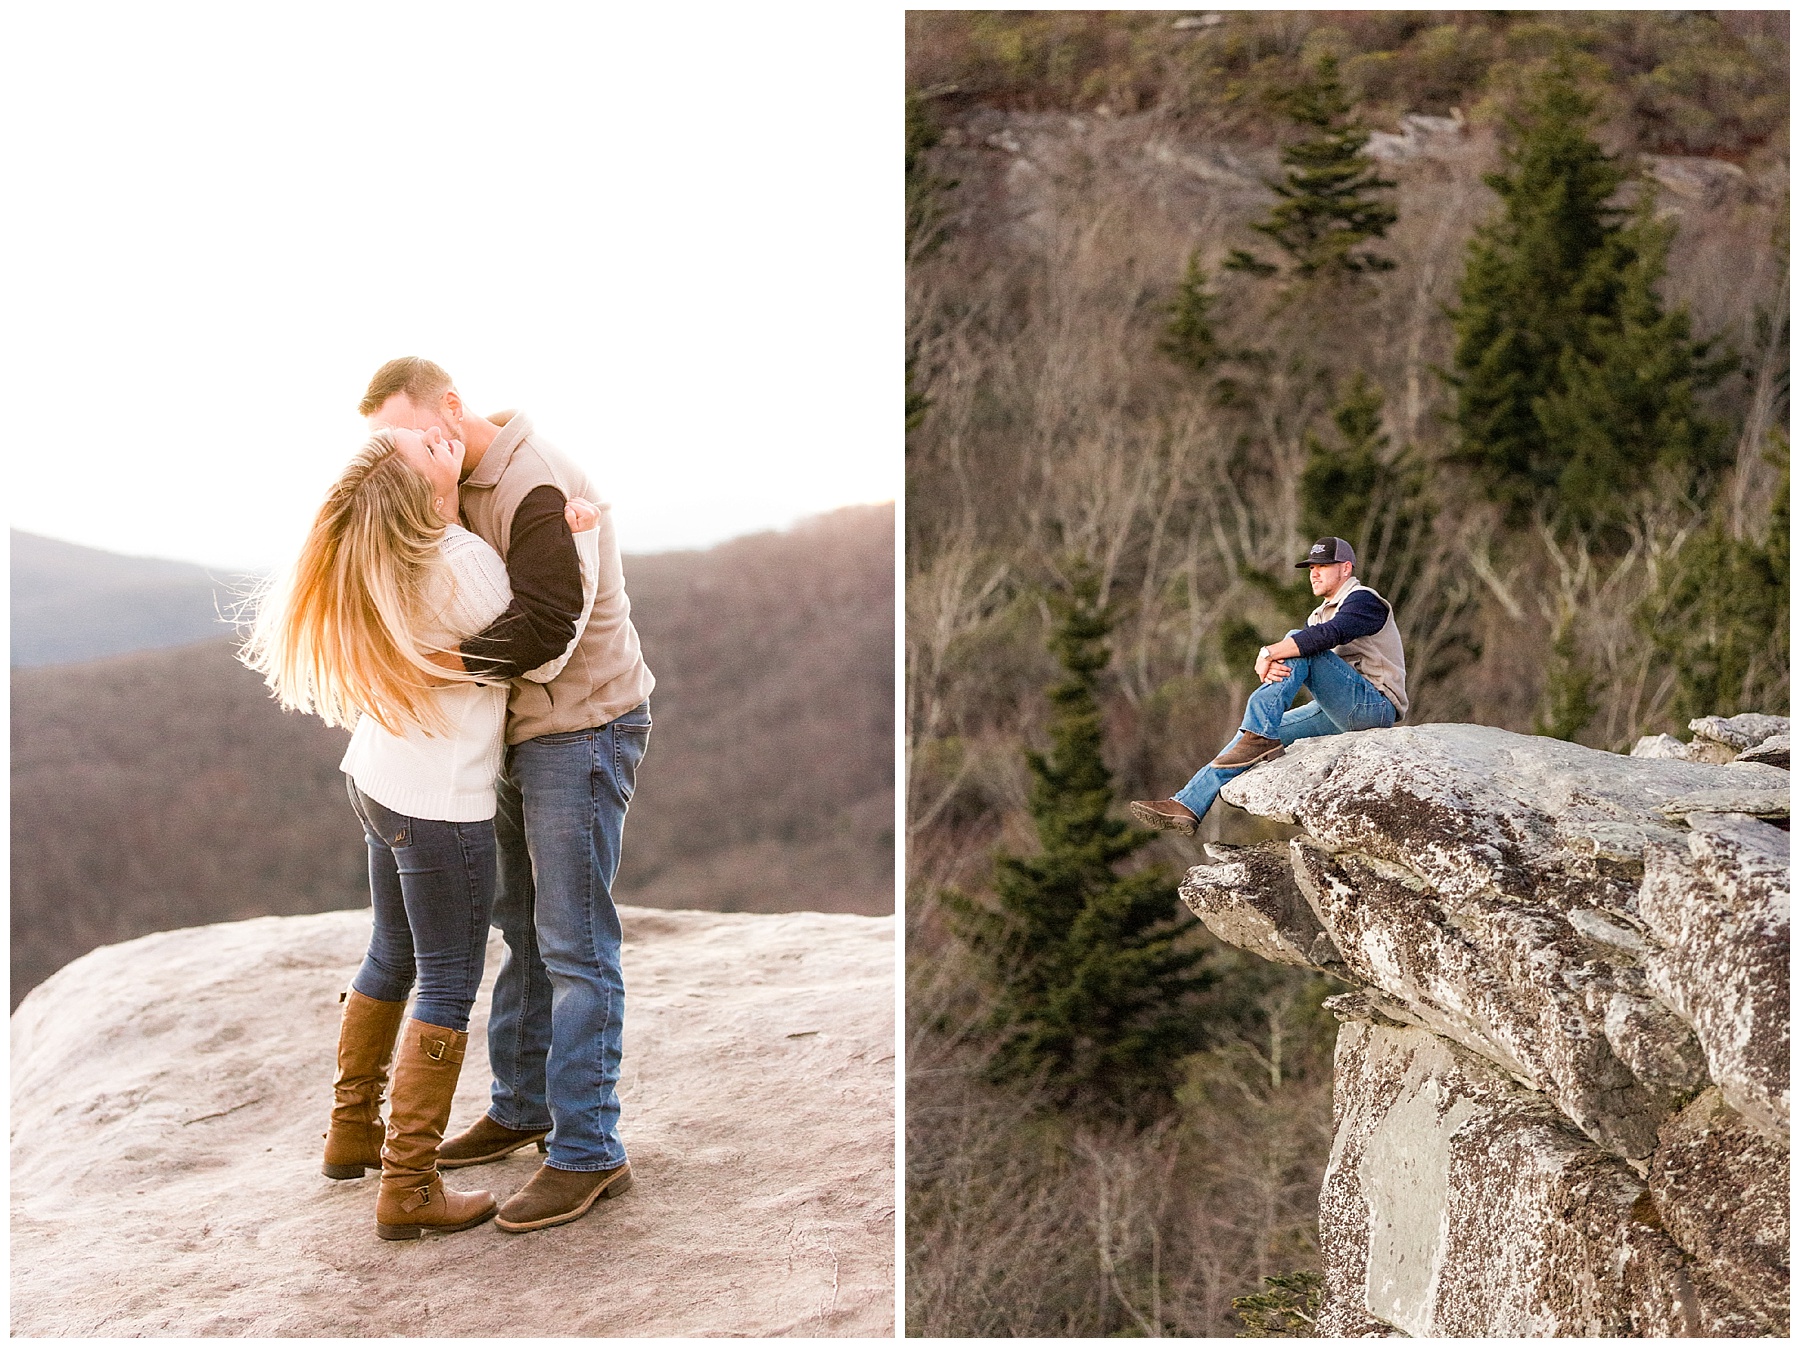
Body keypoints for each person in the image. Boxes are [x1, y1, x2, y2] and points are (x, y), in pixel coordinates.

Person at [241, 426, 598, 1240]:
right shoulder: (458, 561)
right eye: (424, 452)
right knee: (445, 983)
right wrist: (581, 542)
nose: (440, 443)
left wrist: (438, 502)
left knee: (390, 955)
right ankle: (409, 1185)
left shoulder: (372, 558)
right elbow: (548, 651)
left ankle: (351, 1131)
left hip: (378, 781)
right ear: (416, 495)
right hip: (439, 804)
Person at [359, 357, 654, 1234]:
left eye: (409, 437)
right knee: (520, 926)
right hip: (517, 733)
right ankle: (522, 1107)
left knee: (573, 941)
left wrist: (433, 662)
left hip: (579, 727)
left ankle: (589, 1151)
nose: (402, 459)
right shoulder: (459, 482)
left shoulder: (534, 484)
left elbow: (547, 629)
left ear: (450, 409)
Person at [1131, 536, 1408, 836]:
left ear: (1345, 568)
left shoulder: (1364, 601)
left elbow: (1329, 635)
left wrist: (1269, 652)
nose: (1314, 574)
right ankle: (1188, 804)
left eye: (1323, 566)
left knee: (1297, 642)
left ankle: (1260, 734)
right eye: (1311, 568)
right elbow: (1310, 646)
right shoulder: (1319, 614)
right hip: (1338, 711)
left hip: (1375, 707)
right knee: (1248, 738)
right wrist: (1282, 654)